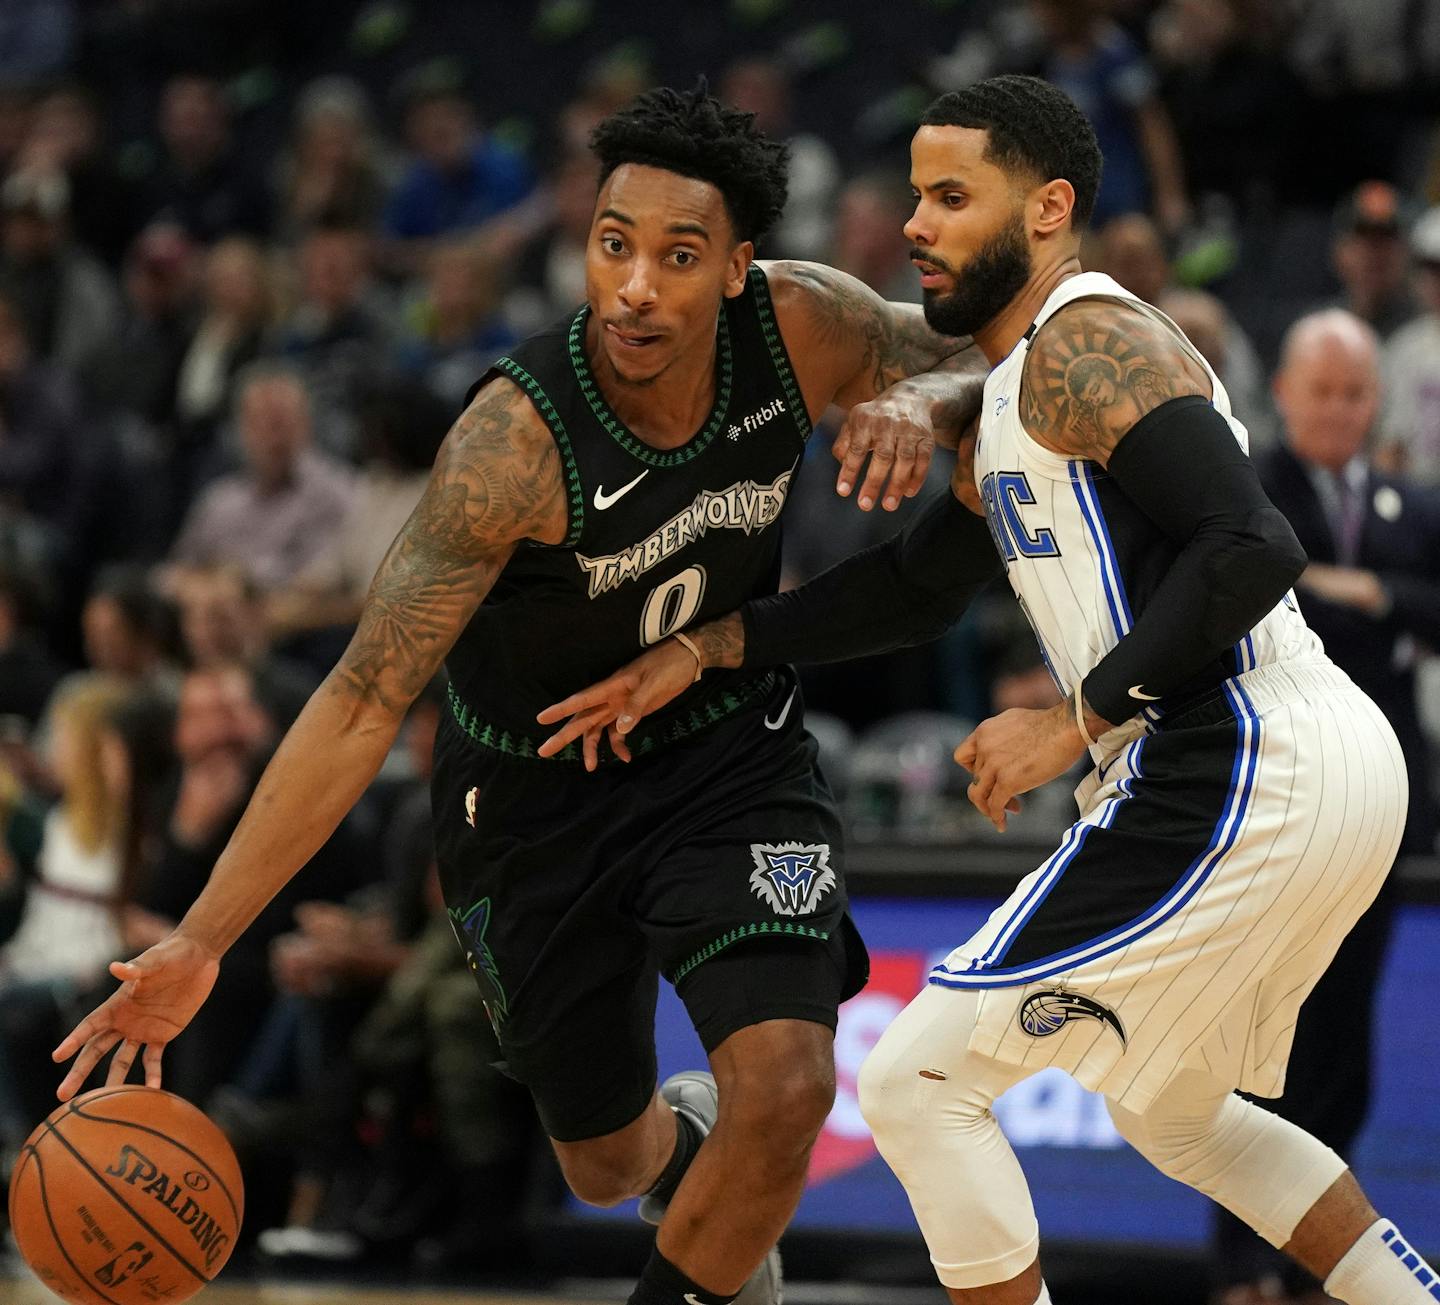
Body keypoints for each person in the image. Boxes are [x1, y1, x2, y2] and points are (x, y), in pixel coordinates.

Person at [52, 83, 992, 1305]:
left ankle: (718, 1197)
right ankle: (689, 1154)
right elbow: (360, 695)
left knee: (793, 1090)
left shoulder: (804, 325)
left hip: (723, 748)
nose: (637, 286)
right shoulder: (513, 446)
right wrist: (203, 938)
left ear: (739, 268)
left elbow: (998, 348)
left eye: (678, 255)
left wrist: (923, 398)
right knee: (604, 1164)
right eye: (613, 246)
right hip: (534, 792)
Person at [539, 76, 1432, 1305]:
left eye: (953, 197)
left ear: (1049, 208)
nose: (916, 223)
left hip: (1243, 750)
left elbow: (1253, 544)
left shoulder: (1089, 342)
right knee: (1173, 1114)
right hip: (1297, 758)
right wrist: (712, 645)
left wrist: (1075, 719)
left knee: (913, 1079)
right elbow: (909, 591)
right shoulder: (1019, 384)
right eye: (914, 195)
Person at [1208, 309, 1440, 1305]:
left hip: (1385, 813)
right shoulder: (1251, 490)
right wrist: (1382, 597)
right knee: (1262, 1033)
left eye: (1355, 393)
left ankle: (1316, 1261)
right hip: (1283, 802)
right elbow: (1264, 595)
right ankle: (1239, 1263)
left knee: (1345, 1036)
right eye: (1323, 391)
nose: (1340, 409)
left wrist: (1368, 592)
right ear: (1287, 395)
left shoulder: (1408, 502)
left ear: (1373, 401)